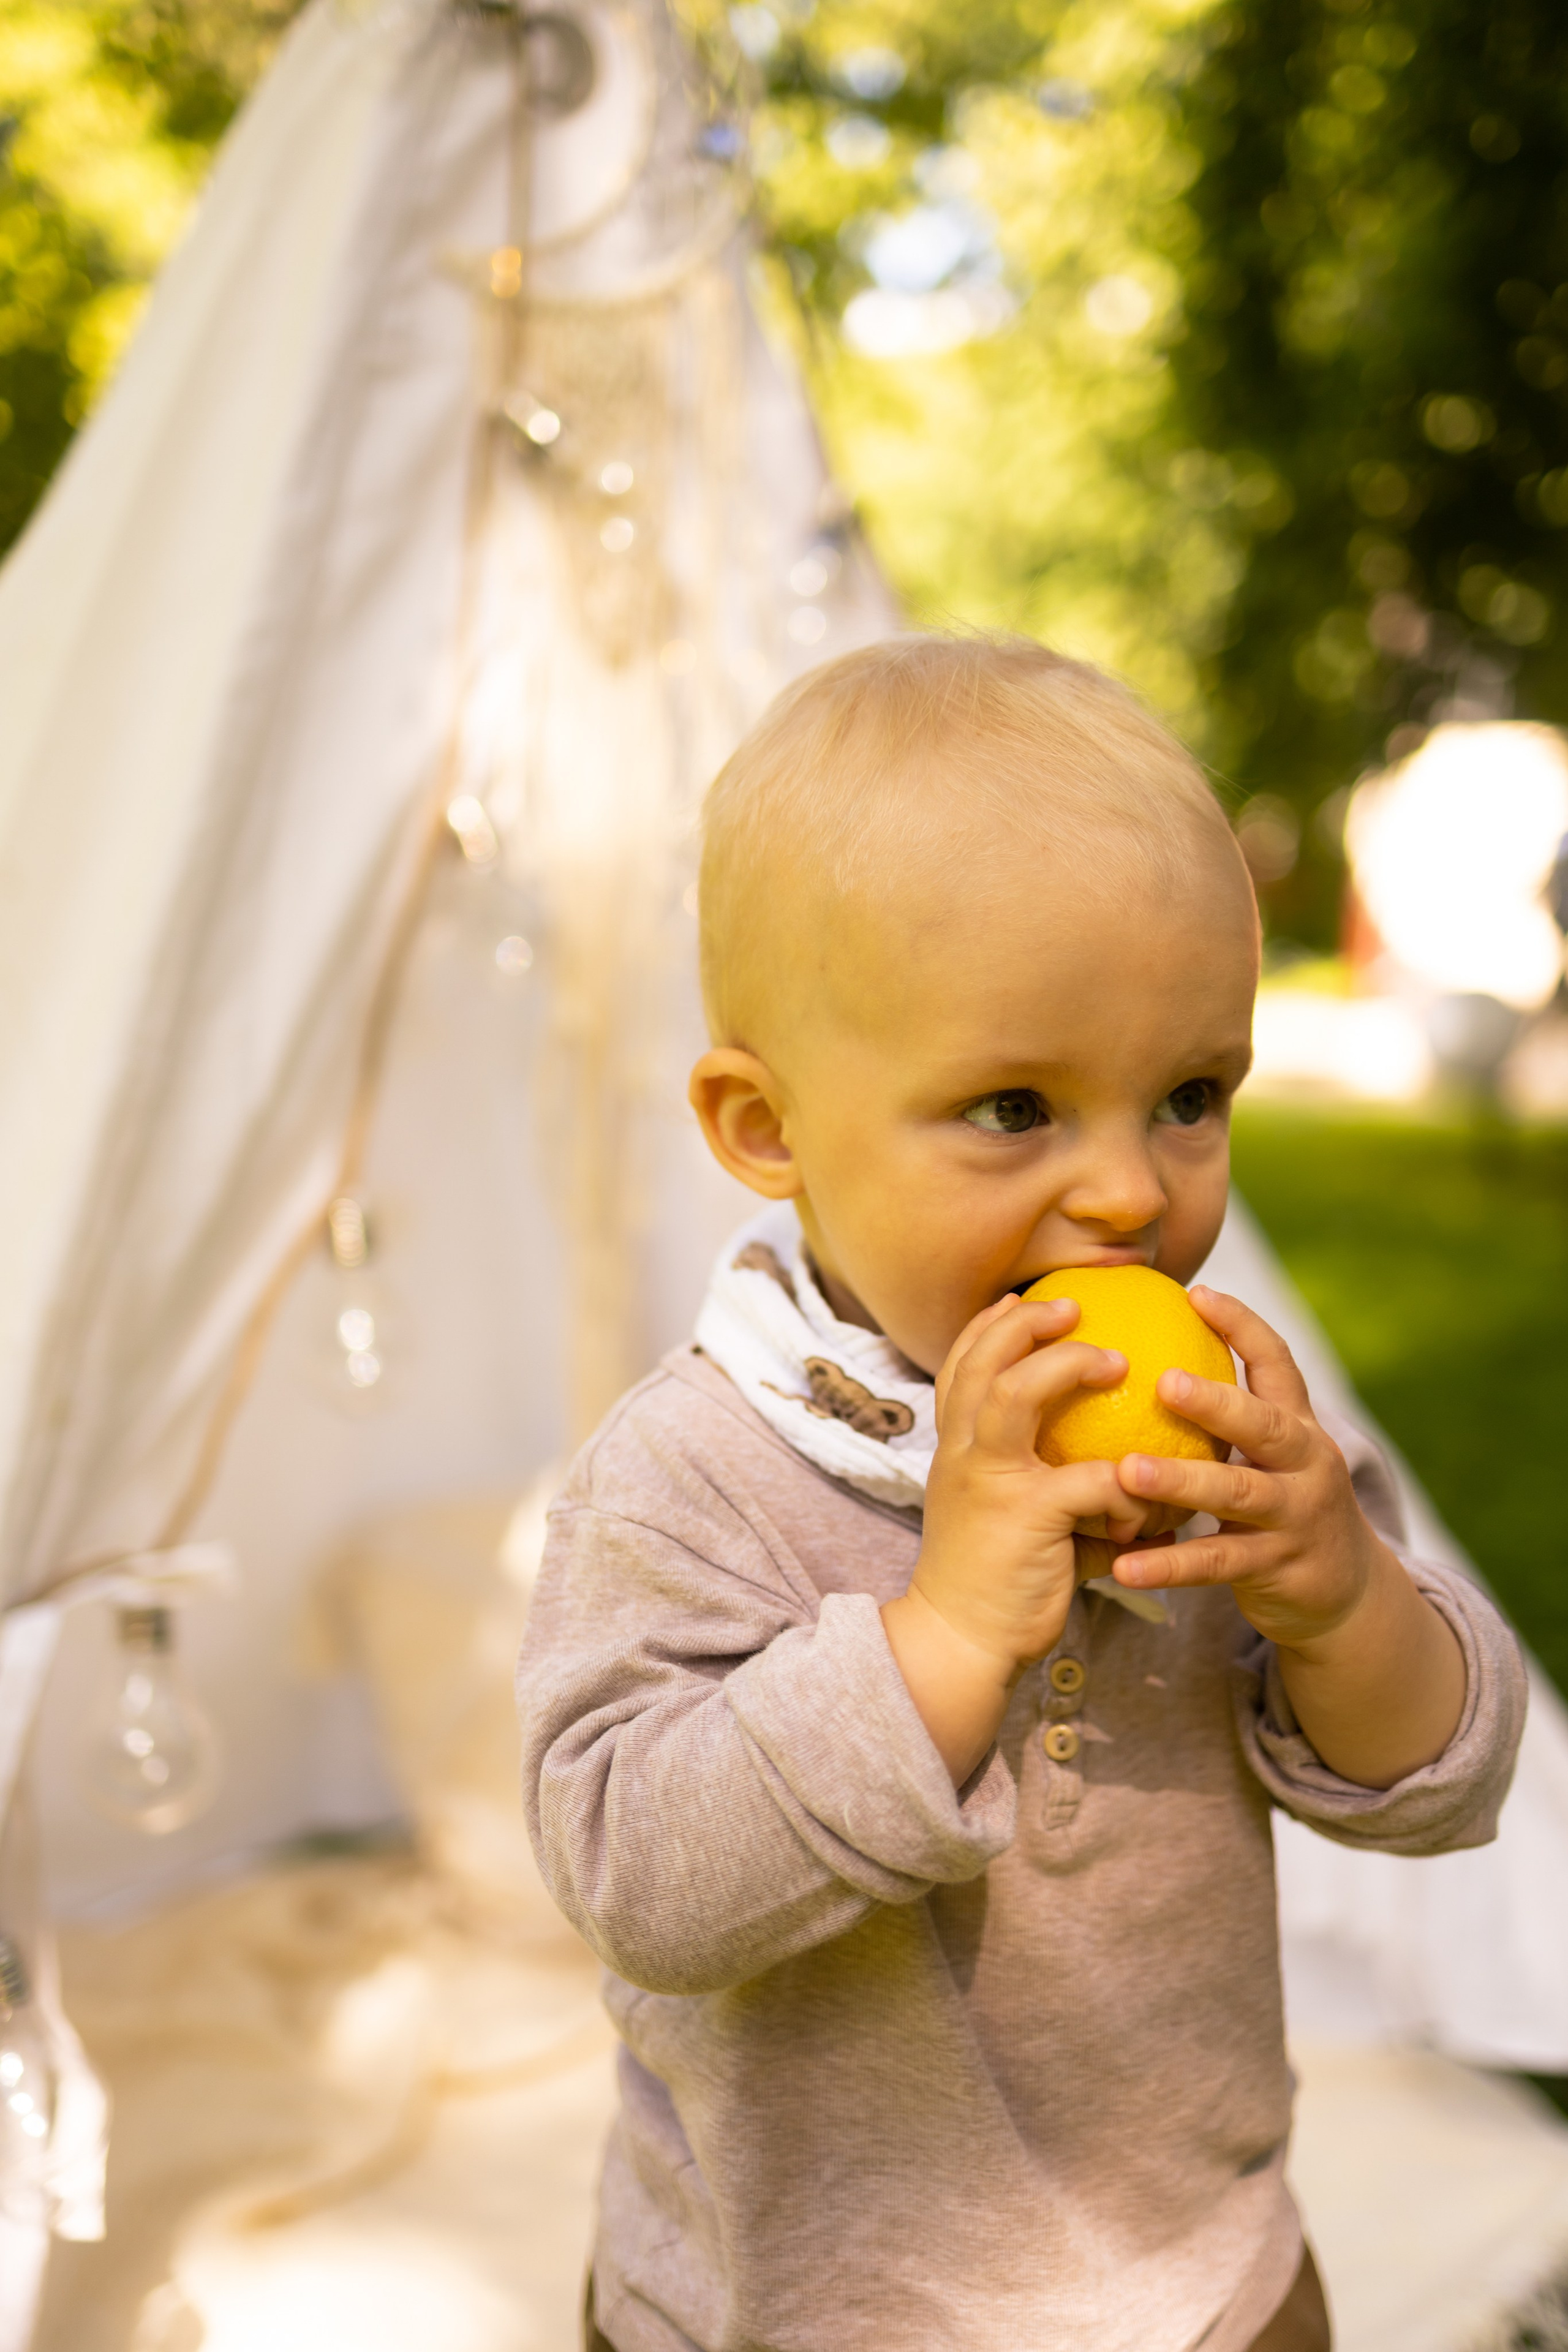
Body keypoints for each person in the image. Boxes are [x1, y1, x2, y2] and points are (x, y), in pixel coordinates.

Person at [517, 636, 1526, 2352]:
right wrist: (946, 1628)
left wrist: (1344, 1601)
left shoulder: (1228, 1438)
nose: (1130, 1191)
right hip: (791, 2305)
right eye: (1015, 1108)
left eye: (1191, 1097)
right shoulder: (690, 1476)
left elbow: (1437, 1792)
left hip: (1201, 2279)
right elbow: (637, 1880)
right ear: (767, 1129)